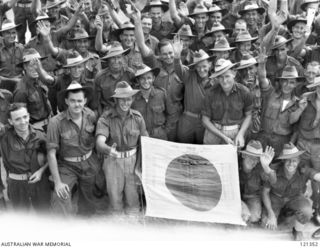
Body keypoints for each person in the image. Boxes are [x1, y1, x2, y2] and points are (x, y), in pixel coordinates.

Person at [47, 81, 100, 215]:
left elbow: (96, 138)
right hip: (67, 165)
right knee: (61, 195)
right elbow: (51, 153)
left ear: (85, 100)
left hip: (88, 162)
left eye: (80, 101)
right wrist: (58, 182)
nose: (77, 104)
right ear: (66, 101)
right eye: (73, 101)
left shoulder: (91, 115)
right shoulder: (55, 122)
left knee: (88, 200)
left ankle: (85, 223)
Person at [96, 81, 148, 215]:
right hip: (113, 161)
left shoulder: (137, 118)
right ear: (116, 100)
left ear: (132, 99)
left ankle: (133, 221)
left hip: (132, 161)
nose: (126, 103)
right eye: (122, 100)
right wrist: (108, 150)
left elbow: (145, 141)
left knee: (133, 196)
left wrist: (141, 165)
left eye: (128, 99)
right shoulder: (106, 118)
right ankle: (117, 222)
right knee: (114, 196)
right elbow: (99, 142)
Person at [133, 9, 184, 142]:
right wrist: (138, 22)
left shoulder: (181, 69)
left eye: (171, 53)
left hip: (179, 119)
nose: (168, 56)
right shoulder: (155, 65)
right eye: (165, 54)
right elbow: (142, 45)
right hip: (157, 119)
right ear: (159, 55)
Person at [261, 143, 320, 241]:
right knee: (266, 224)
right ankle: (285, 214)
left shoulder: (303, 169)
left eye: (294, 160)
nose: (291, 163)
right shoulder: (274, 169)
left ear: (299, 160)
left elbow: (317, 176)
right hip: (276, 198)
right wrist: (271, 214)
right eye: (288, 160)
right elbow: (265, 192)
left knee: (307, 212)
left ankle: (297, 230)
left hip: (294, 198)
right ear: (283, 161)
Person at [0, 103, 51, 211]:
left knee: (44, 214)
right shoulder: (4, 137)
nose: (23, 122)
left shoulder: (40, 135)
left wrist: (41, 171)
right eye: (17, 119)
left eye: (25, 117)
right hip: (17, 185)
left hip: (39, 183)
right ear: (10, 121)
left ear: (28, 116)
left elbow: (52, 158)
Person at [201, 58, 253, 147]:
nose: (224, 81)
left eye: (227, 76)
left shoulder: (244, 92)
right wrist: (223, 137)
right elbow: (205, 120)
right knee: (211, 159)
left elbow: (248, 115)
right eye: (220, 77)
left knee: (232, 159)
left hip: (235, 132)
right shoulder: (210, 93)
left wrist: (241, 134)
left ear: (234, 73)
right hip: (214, 132)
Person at [173, 36, 214, 144]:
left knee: (201, 151)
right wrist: (177, 56)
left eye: (204, 66)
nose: (201, 69)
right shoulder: (189, 76)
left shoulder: (215, 81)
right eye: (198, 67)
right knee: (183, 150)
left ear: (210, 65)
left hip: (205, 122)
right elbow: (178, 69)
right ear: (195, 67)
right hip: (187, 120)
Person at [291, 77, 320, 226]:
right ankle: (298, 212)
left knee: (318, 181)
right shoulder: (306, 98)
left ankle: (317, 211)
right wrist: (300, 109)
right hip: (303, 143)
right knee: (299, 176)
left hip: (319, 147)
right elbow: (292, 120)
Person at [13, 48, 54, 131]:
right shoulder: (21, 90)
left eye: (37, 64)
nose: (35, 68)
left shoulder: (41, 80)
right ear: (24, 66)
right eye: (31, 65)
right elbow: (21, 119)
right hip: (35, 130)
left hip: (50, 125)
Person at [239, 140, 276, 224]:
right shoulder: (236, 164)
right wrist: (242, 205)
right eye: (250, 157)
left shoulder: (260, 168)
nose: (253, 161)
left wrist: (266, 167)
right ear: (244, 155)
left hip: (252, 197)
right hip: (236, 197)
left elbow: (273, 181)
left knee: (253, 217)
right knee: (240, 213)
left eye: (256, 159)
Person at [94, 41, 135, 115]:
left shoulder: (130, 74)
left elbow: (135, 96)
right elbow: (98, 101)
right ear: (108, 59)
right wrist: (102, 117)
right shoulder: (100, 77)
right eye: (113, 58)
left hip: (127, 111)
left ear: (123, 58)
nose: (116, 61)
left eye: (119, 57)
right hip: (108, 112)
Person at [131, 64, 169, 140]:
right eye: (142, 78)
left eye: (149, 78)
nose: (146, 81)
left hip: (160, 136)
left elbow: (171, 114)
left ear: (153, 78)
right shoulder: (133, 98)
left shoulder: (161, 94)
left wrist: (166, 130)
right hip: (140, 137)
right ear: (138, 80)